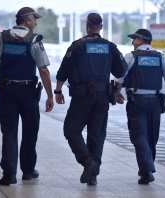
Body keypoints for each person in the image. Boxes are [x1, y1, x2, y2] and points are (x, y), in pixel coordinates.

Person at [0, 7, 54, 185]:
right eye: (34, 20)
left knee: (9, 133)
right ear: (27, 20)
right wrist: (50, 95)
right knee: (30, 132)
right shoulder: (34, 40)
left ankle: (9, 174)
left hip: (6, 93)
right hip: (28, 93)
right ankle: (28, 171)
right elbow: (43, 70)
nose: (35, 23)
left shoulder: (1, 37)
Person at [55, 13, 127, 186]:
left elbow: (63, 71)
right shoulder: (110, 47)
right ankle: (93, 175)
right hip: (103, 96)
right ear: (100, 27)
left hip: (81, 96)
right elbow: (122, 71)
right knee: (97, 134)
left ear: (87, 26)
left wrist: (58, 91)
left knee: (71, 130)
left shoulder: (77, 46)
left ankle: (88, 163)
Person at [115, 29, 165, 184]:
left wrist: (116, 92)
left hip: (137, 102)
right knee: (151, 137)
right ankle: (146, 170)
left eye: (134, 39)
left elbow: (120, 78)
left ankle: (147, 169)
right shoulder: (161, 57)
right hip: (155, 102)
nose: (132, 42)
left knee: (139, 136)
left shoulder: (131, 57)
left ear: (141, 40)